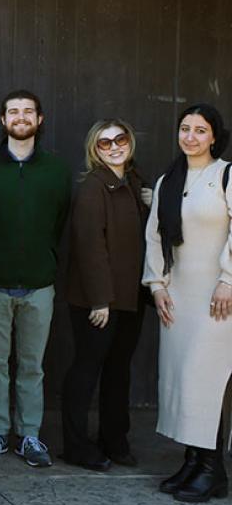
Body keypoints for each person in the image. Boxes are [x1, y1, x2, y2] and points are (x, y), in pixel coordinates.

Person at [0, 90, 71, 468]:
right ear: (2, 120)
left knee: (32, 365)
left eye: (28, 111)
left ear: (40, 119)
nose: (21, 117)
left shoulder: (56, 171)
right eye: (13, 111)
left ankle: (30, 434)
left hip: (39, 285)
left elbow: (60, 223)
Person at [145, 103, 232, 503]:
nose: (191, 137)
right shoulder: (168, 180)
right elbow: (155, 237)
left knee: (207, 382)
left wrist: (228, 280)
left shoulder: (227, 175)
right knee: (182, 380)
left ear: (214, 135)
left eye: (200, 130)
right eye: (185, 128)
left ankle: (213, 469)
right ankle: (194, 461)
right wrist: (157, 285)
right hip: (178, 295)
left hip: (217, 298)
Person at [61, 120, 150, 472]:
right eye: (104, 143)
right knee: (86, 371)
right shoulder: (93, 188)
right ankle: (76, 445)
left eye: (121, 138)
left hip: (131, 298)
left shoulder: (137, 182)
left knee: (118, 371)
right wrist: (101, 300)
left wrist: (153, 202)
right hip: (97, 302)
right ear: (93, 150)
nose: (114, 146)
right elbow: (89, 247)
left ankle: (115, 440)